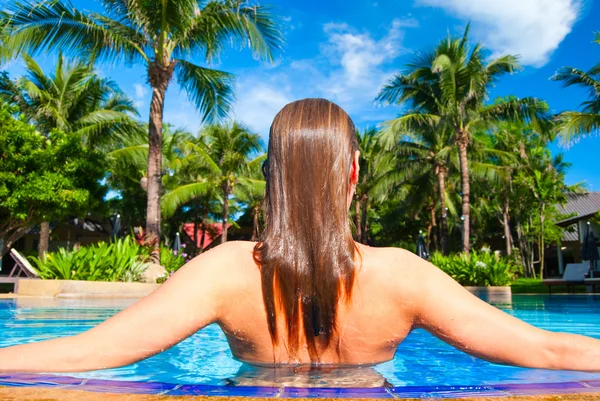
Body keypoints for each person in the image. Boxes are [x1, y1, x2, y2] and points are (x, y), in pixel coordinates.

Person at [1, 98, 600, 373]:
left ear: (272, 175)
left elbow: (86, 352)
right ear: (355, 175)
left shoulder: (227, 270)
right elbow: (550, 350)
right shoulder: (400, 275)